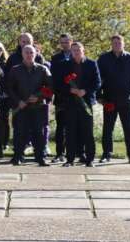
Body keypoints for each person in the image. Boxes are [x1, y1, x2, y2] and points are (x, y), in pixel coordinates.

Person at [97, 35, 130, 164]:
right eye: (114, 43)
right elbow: (97, 78)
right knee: (107, 129)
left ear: (123, 43)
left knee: (129, 129)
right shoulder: (103, 58)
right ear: (111, 44)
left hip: (126, 99)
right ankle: (106, 154)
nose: (117, 44)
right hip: (109, 99)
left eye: (119, 42)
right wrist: (99, 96)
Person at [55, 42, 101, 167]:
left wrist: (85, 91)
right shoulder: (64, 65)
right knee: (70, 131)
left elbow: (97, 82)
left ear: (83, 50)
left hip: (86, 102)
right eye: (73, 50)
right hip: (70, 102)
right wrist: (71, 90)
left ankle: (90, 159)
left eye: (78, 49)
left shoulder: (92, 64)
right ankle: (69, 159)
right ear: (71, 51)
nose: (76, 52)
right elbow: (58, 84)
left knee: (87, 132)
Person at [7, 45, 52, 166]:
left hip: (38, 107)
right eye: (26, 52)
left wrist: (39, 97)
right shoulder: (15, 70)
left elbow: (50, 87)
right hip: (22, 107)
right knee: (20, 132)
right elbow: (10, 88)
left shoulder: (43, 69)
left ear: (35, 54)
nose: (29, 55)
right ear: (22, 54)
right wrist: (18, 101)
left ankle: (40, 157)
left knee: (39, 133)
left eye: (31, 52)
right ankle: (18, 157)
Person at [50, 34, 73, 163]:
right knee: (61, 127)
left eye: (66, 42)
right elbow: (54, 78)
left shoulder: (76, 56)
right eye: (62, 42)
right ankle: (60, 153)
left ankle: (76, 152)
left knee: (75, 126)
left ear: (71, 42)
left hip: (75, 96)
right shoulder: (56, 58)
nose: (64, 44)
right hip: (61, 96)